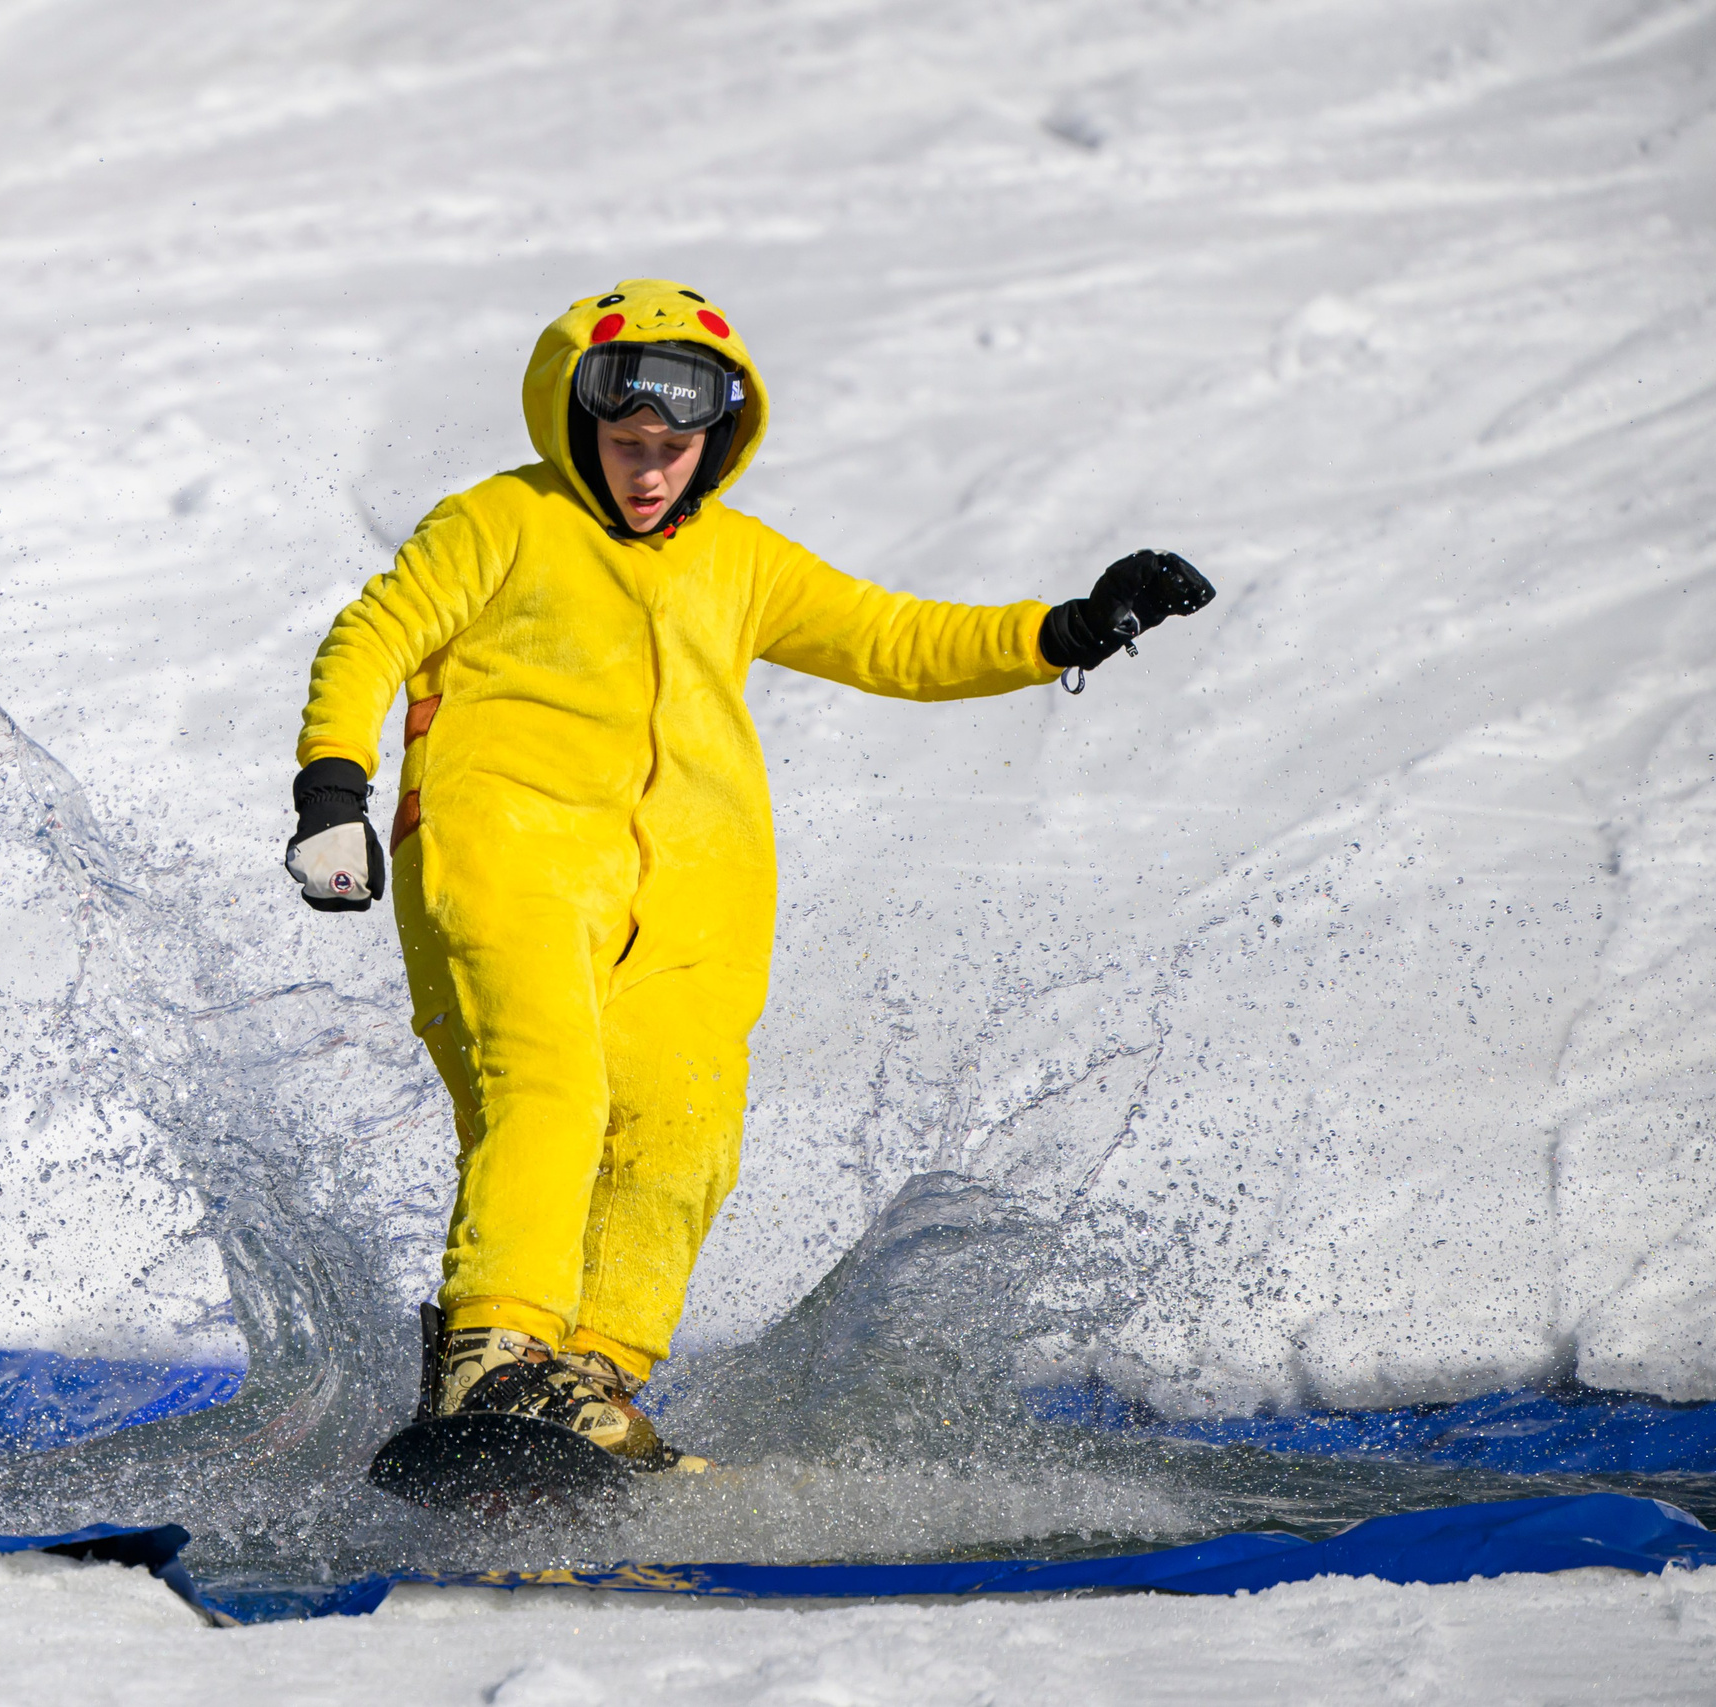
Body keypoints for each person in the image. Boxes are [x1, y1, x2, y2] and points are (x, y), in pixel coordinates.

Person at [284, 279, 1212, 1472]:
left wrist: (1068, 629)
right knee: (550, 1088)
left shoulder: (738, 558)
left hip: (688, 904)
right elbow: (373, 637)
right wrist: (331, 796)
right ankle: (489, 1357)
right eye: (626, 444)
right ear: (579, 425)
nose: (651, 472)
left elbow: (893, 637)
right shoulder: (498, 523)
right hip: (504, 854)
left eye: (676, 448)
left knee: (684, 1128)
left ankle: (585, 1379)